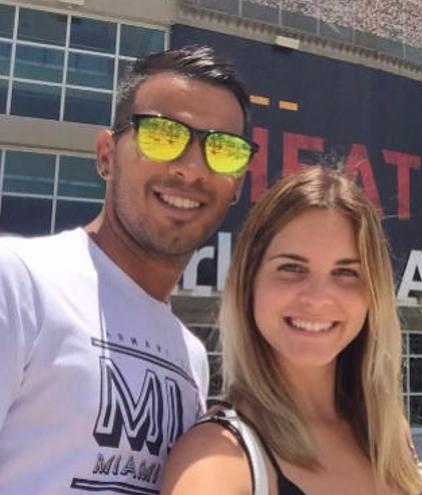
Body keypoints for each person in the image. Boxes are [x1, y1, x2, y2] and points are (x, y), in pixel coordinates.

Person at [0, 45, 258, 494]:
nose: (193, 169)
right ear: (106, 154)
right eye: (162, 135)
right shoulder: (18, 282)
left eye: (223, 150)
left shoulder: (191, 357)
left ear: (235, 185)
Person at [160, 167, 422, 495]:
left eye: (346, 272)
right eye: (291, 268)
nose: (316, 298)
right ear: (249, 283)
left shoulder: (389, 437)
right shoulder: (215, 462)